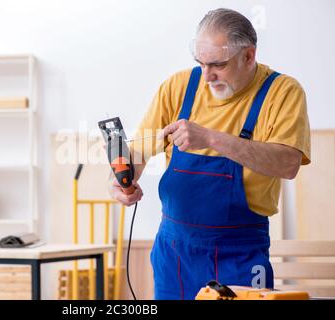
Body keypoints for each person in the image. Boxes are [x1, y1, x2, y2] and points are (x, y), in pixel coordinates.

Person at [109, 8, 311, 300]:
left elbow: (288, 163)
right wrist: (121, 181)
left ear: (249, 56)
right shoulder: (178, 87)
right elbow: (139, 149)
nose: (207, 76)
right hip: (174, 252)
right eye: (200, 63)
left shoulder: (282, 93)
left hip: (239, 252)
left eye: (218, 64)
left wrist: (210, 138)